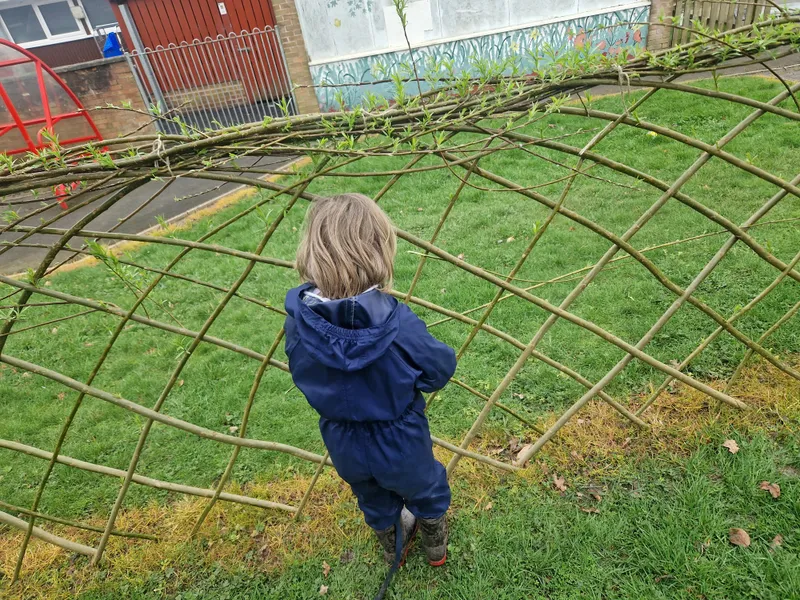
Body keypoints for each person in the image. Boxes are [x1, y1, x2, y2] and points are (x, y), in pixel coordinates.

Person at [284, 193, 456, 567]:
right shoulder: (397, 324)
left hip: (341, 440)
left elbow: (300, 371)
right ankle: (434, 545)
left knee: (372, 497)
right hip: (400, 439)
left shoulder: (298, 325)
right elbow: (438, 368)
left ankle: (392, 541)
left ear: (312, 251)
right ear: (379, 248)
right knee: (426, 486)